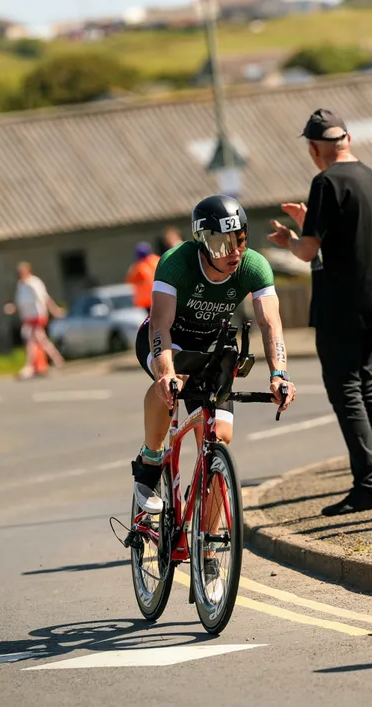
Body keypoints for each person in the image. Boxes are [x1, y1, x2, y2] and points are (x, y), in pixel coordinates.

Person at [131, 195, 297, 542]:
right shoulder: (176, 263)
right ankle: (150, 461)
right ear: (203, 242)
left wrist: (278, 374)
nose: (234, 251)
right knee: (174, 384)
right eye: (223, 242)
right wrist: (165, 373)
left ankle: (207, 551)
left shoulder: (254, 266)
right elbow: (160, 322)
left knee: (219, 438)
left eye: (240, 239)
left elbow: (270, 324)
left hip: (212, 346)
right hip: (168, 339)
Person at [267, 109, 372, 516]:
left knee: (346, 391)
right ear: (346, 138)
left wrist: (290, 239)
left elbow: (310, 250)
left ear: (313, 148)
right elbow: (347, 234)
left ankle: (368, 486)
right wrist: (310, 222)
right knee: (368, 386)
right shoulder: (370, 176)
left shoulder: (325, 182)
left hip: (339, 304)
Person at [3, 262, 64, 380]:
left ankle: (29, 366)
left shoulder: (34, 283)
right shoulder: (21, 285)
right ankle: (56, 360)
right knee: (41, 340)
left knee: (31, 340)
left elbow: (44, 298)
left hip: (38, 315)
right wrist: (13, 308)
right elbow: (20, 301)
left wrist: (54, 310)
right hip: (28, 317)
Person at [125, 242, 160, 312]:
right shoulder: (158, 260)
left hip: (148, 300)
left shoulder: (139, 267)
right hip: (162, 296)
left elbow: (129, 280)